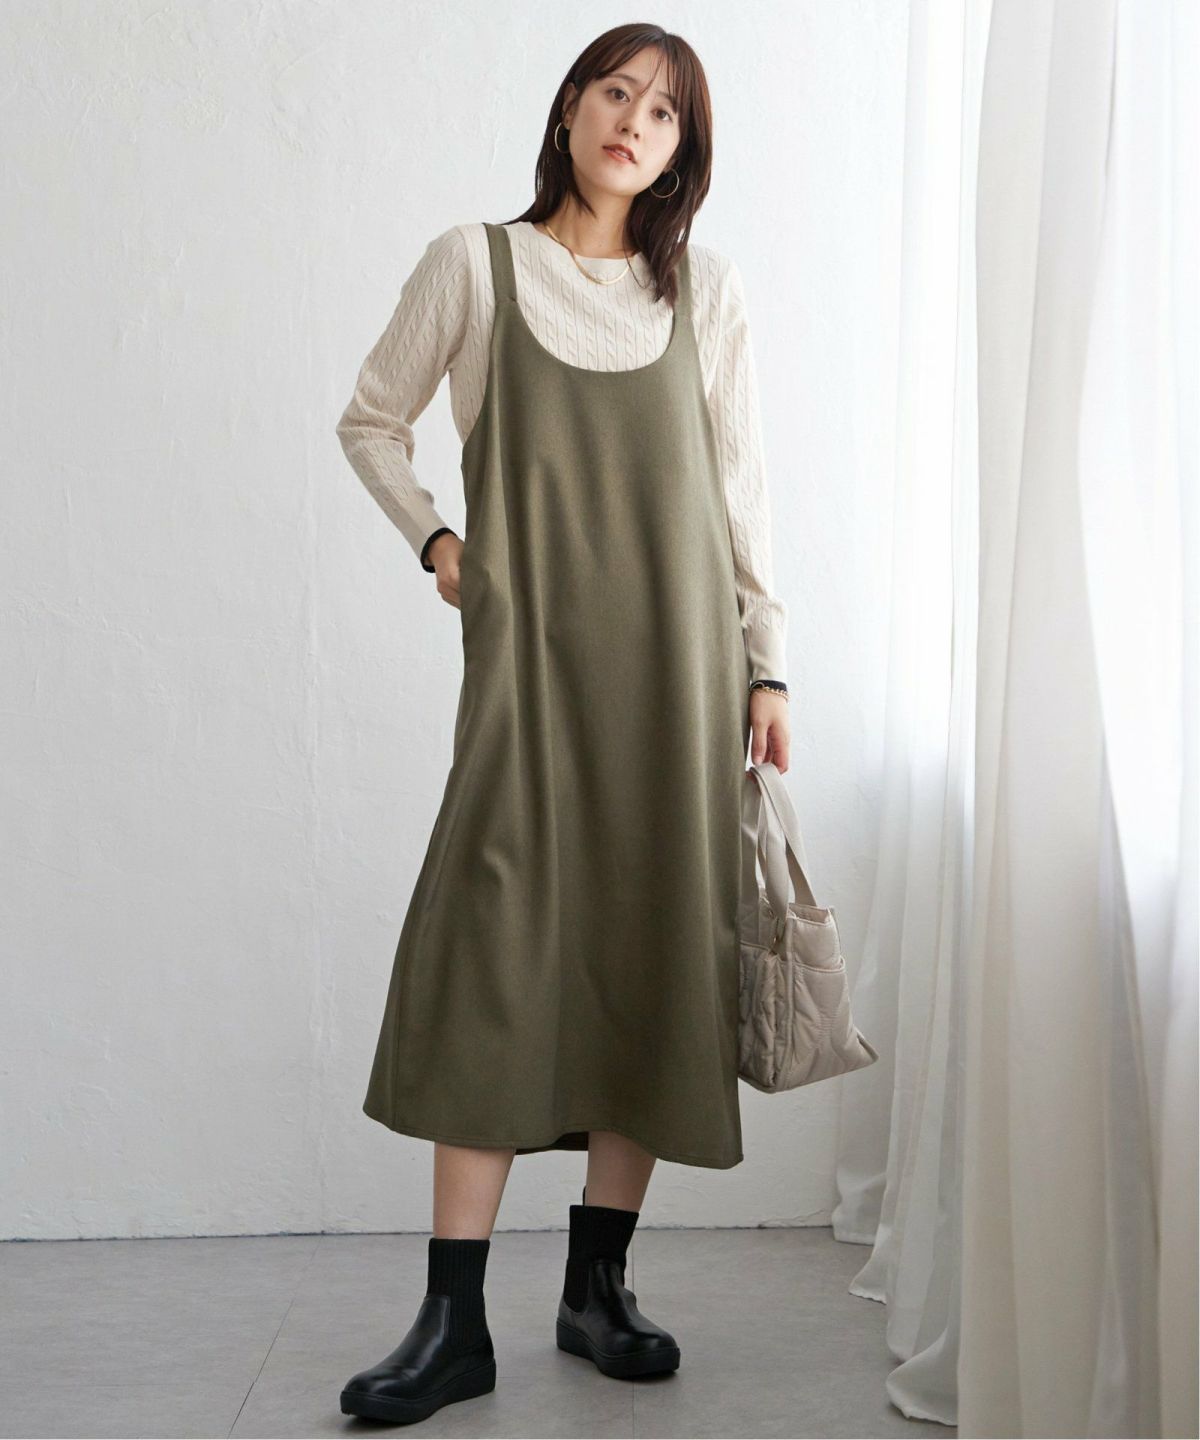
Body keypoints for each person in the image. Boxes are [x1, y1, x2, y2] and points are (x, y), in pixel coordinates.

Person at [333, 23, 790, 1426]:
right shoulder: (473, 266)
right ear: (572, 107)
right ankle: (452, 1321)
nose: (634, 122)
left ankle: (598, 1288)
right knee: (493, 956)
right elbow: (370, 421)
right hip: (527, 677)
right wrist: (440, 544)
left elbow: (741, 493)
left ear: (681, 152)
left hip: (680, 679)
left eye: (665, 113)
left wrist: (767, 669)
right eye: (616, 92)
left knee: (650, 956)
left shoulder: (705, 291)